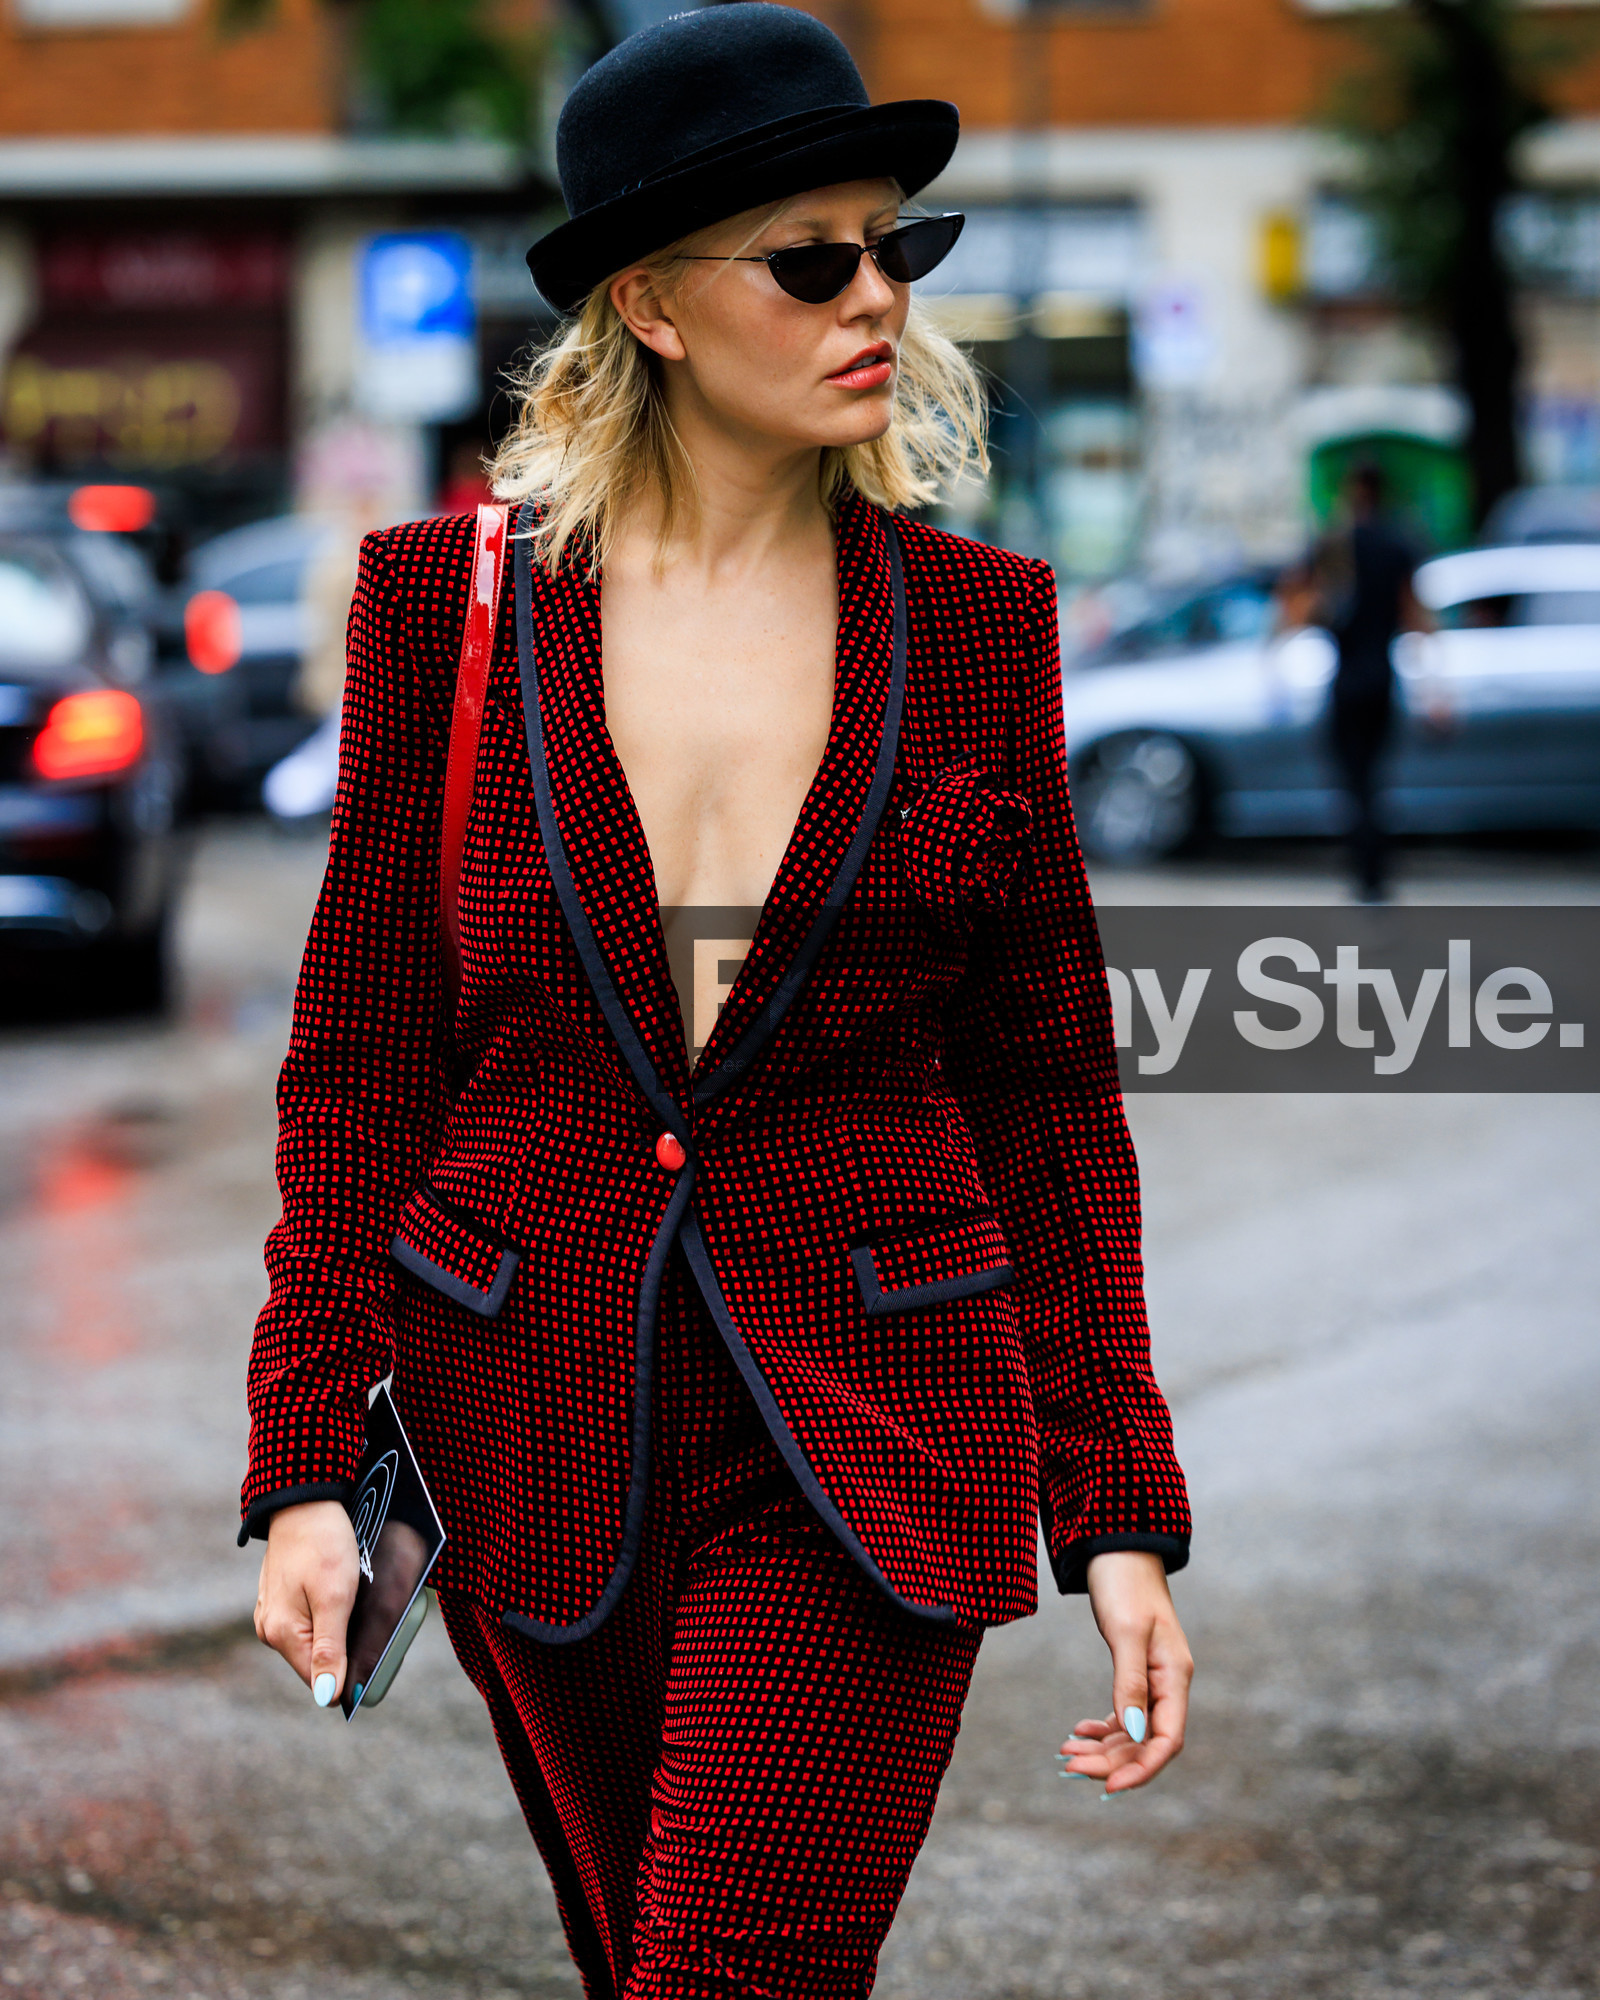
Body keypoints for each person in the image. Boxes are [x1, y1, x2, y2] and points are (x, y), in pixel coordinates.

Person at [241, 10, 1193, 1997]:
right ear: (654, 305)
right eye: (810, 258)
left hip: (871, 1435)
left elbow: (1043, 1105)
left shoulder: (978, 627)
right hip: (530, 1421)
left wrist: (1110, 1497)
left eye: (890, 247)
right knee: (642, 1958)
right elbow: (360, 1065)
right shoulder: (444, 605)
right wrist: (308, 1452)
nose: (875, 301)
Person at [1310, 460, 1432, 901]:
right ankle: (1375, 870)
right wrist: (1435, 685)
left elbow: (1309, 606)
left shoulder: (1335, 544)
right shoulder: (1400, 542)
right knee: (1375, 779)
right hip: (1383, 676)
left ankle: (1365, 872)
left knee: (1352, 779)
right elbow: (1416, 614)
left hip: (1346, 678)